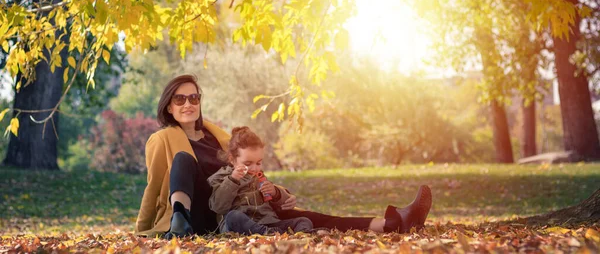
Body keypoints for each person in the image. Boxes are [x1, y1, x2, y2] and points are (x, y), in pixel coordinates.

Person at [135, 74, 432, 238]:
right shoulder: (162, 139)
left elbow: (252, 170)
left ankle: (392, 223)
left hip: (244, 207)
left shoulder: (218, 135)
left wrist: (275, 192)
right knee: (184, 161)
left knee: (310, 216)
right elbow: (156, 184)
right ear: (169, 106)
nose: (188, 103)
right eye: (180, 98)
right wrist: (147, 224)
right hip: (206, 210)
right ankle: (179, 224)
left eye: (194, 97)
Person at [207, 126, 313, 235]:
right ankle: (268, 234)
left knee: (303, 221)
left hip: (268, 223)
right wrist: (232, 180)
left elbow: (283, 207)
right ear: (232, 159)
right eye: (248, 164)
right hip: (240, 225)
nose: (254, 168)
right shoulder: (220, 177)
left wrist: (275, 193)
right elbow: (218, 207)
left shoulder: (259, 177)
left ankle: (301, 235)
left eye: (258, 163)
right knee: (233, 216)